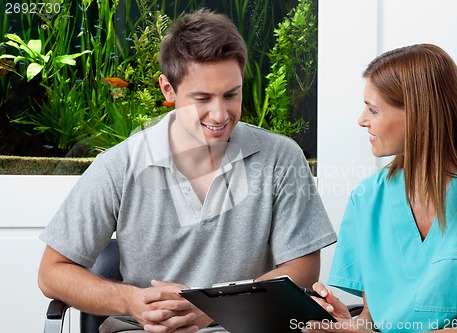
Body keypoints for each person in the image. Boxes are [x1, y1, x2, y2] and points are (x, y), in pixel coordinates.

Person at [38, 9, 337, 333]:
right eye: (202, 98)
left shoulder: (281, 157)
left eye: (231, 95)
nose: (220, 114)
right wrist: (132, 302)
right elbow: (52, 273)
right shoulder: (119, 165)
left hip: (244, 327)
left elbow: (304, 267)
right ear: (168, 89)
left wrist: (212, 309)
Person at [304, 44, 457, 333]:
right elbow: (373, 320)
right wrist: (347, 326)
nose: (362, 120)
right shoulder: (367, 198)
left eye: (373, 109)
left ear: (420, 114)